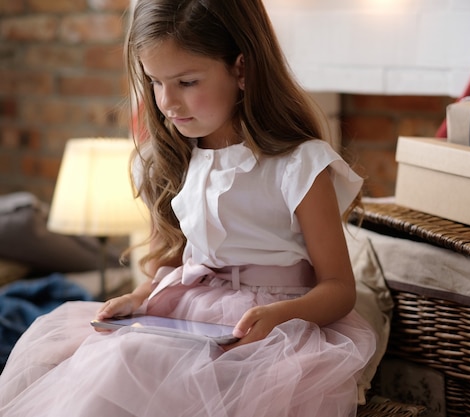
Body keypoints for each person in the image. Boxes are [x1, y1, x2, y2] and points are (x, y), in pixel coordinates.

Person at [0, 0, 376, 416]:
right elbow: (178, 261)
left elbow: (339, 289)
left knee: (141, 366)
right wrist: (141, 297)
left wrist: (280, 316)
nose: (168, 103)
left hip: (271, 334)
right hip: (189, 318)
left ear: (242, 69)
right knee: (110, 360)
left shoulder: (299, 165)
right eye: (156, 83)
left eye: (187, 82)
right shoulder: (177, 159)